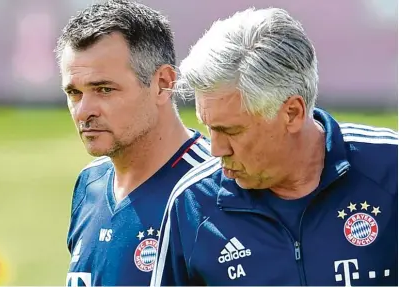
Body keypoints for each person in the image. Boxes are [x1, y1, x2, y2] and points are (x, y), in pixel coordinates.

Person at [151, 7, 398, 286]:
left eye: (230, 130)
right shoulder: (193, 202)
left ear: (292, 113)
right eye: (209, 127)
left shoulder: (391, 171)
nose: (216, 150)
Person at [55, 1, 211, 286]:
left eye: (104, 89)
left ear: (163, 83)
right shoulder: (91, 183)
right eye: (74, 93)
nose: (83, 111)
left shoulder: (216, 189)